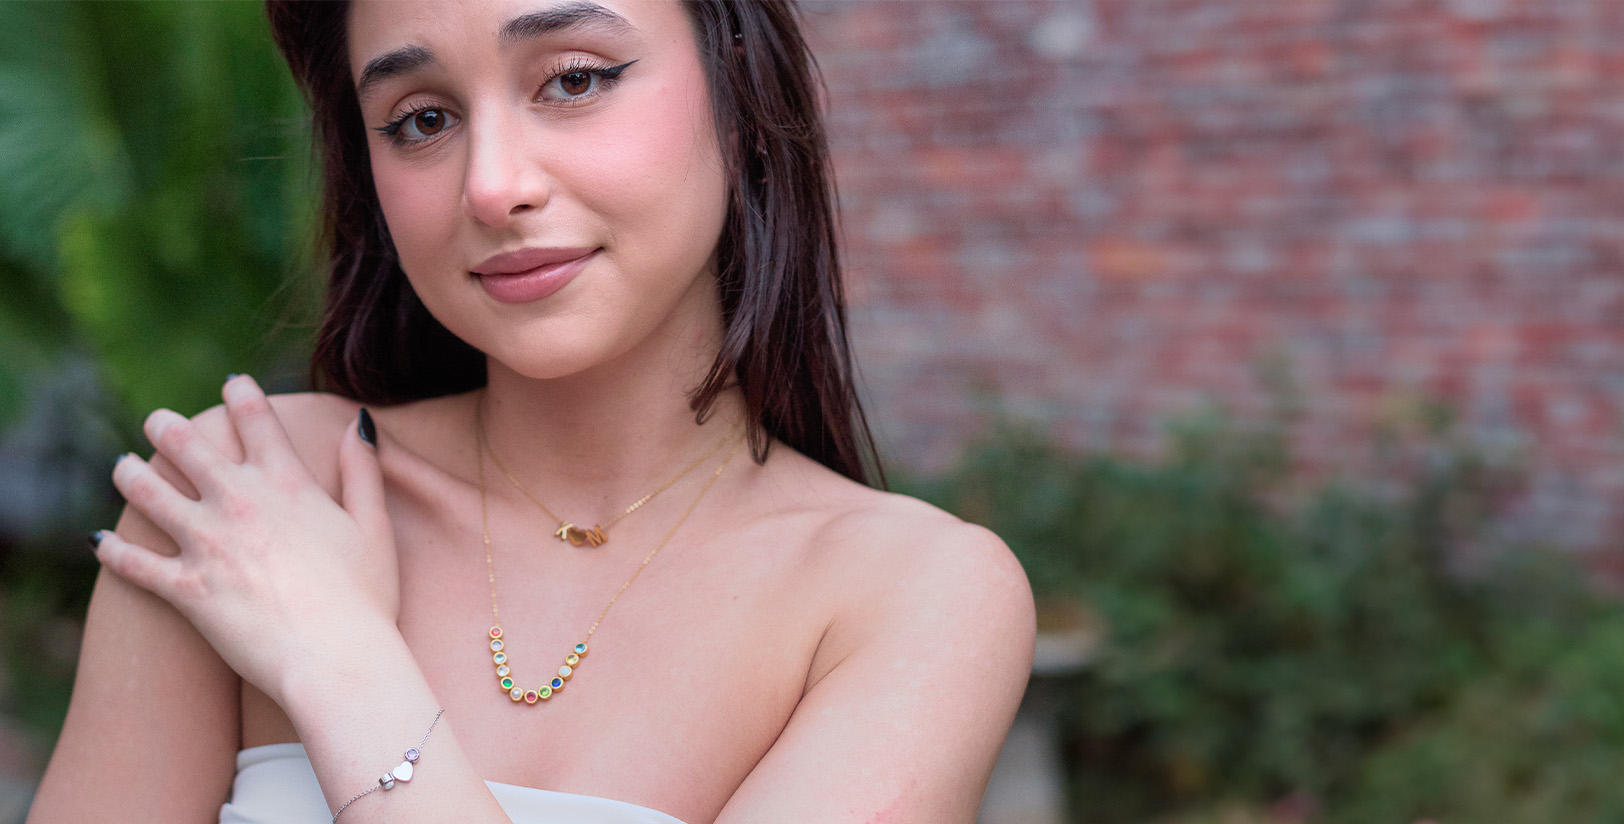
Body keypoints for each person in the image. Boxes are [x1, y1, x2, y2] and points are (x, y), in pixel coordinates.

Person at [25, 1, 1036, 821]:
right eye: (422, 118)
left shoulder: (909, 597)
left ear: (736, 83)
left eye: (574, 78)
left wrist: (339, 660)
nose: (493, 185)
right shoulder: (246, 498)